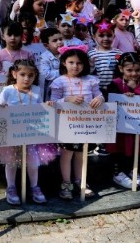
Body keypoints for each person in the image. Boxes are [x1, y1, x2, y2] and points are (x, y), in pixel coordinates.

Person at [0, 59, 57, 205]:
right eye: (22, 74)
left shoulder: (37, 90)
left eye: (30, 75)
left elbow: (40, 108)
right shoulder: (8, 90)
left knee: (33, 163)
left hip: (32, 133)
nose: (26, 78)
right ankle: (11, 187)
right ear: (14, 74)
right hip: (13, 134)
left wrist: (47, 105)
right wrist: (1, 106)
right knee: (11, 162)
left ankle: (35, 187)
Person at [51, 46, 103, 199]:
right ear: (63, 63)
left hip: (86, 124)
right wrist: (67, 99)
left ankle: (81, 181)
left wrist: (100, 98)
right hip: (66, 125)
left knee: (81, 154)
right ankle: (66, 184)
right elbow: (52, 102)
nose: (75, 66)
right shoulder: (59, 82)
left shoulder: (91, 80)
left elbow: (99, 95)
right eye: (71, 62)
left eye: (79, 63)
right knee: (66, 154)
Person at [108, 52, 140, 190]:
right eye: (129, 70)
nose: (134, 74)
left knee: (135, 149)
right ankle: (118, 173)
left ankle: (133, 170)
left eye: (137, 70)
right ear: (121, 69)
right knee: (121, 149)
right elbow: (111, 102)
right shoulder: (115, 83)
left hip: (138, 126)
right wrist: (124, 97)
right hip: (121, 128)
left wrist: (136, 90)